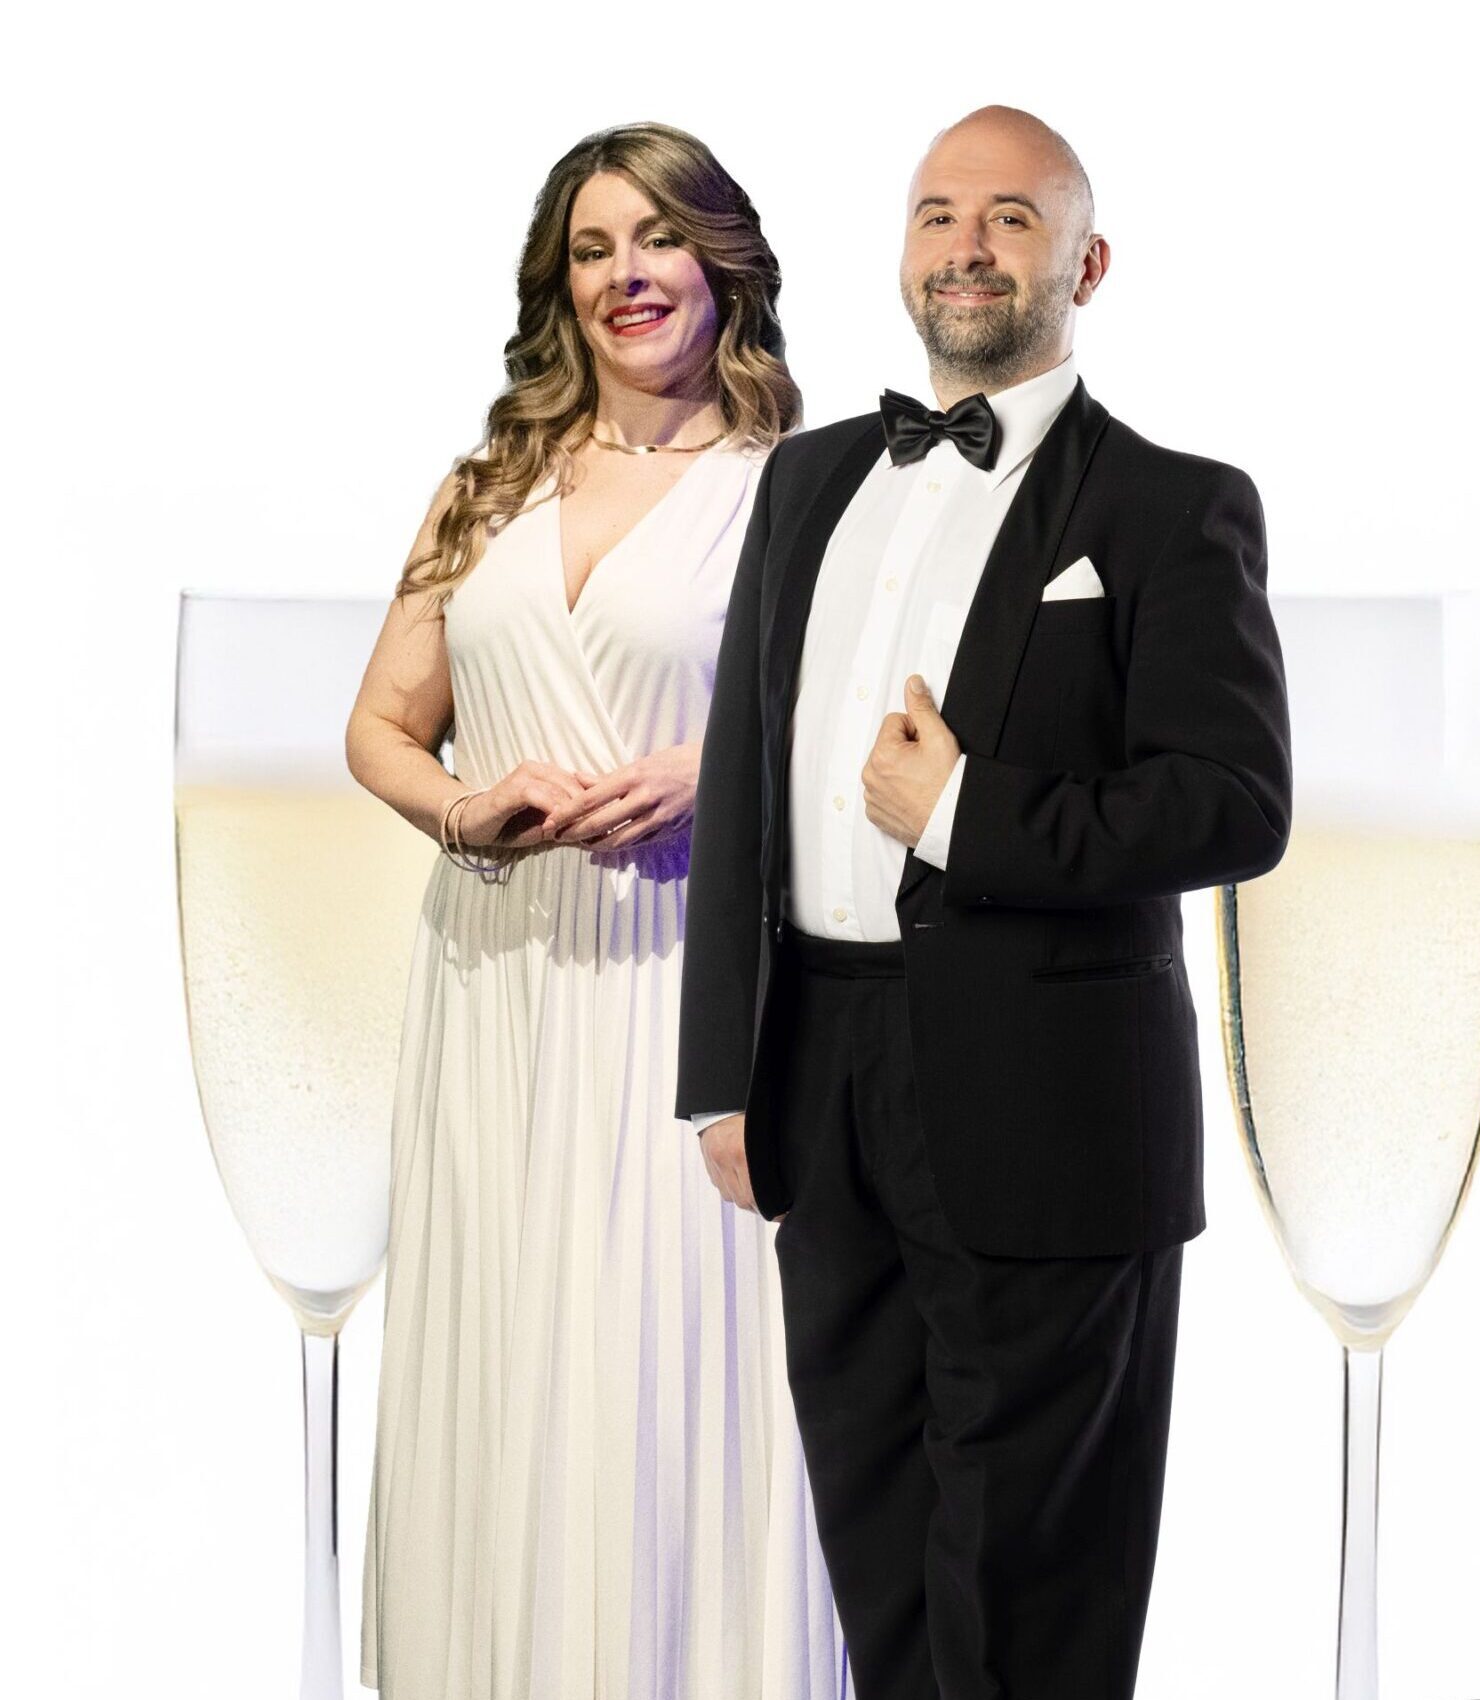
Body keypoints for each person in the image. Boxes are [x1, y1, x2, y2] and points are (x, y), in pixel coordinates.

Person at [672, 105, 1292, 1698]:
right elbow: (746, 773)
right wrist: (723, 1070)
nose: (967, 246)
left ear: (1086, 263)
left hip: (1051, 1109)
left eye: (1011, 218)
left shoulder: (1173, 507)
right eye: (938, 213)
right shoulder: (808, 479)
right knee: (877, 1553)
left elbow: (1236, 804)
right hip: (822, 1080)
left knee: (1029, 1597)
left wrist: (959, 811)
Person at [346, 122, 847, 1700]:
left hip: (686, 986)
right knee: (507, 1349)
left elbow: (868, 742)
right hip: (496, 984)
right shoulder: (485, 484)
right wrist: (463, 812)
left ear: (723, 263)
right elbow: (382, 727)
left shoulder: (797, 492)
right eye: (591, 248)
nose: (626, 274)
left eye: (659, 237)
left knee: (680, 1357)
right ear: (556, 284)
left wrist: (719, 769)